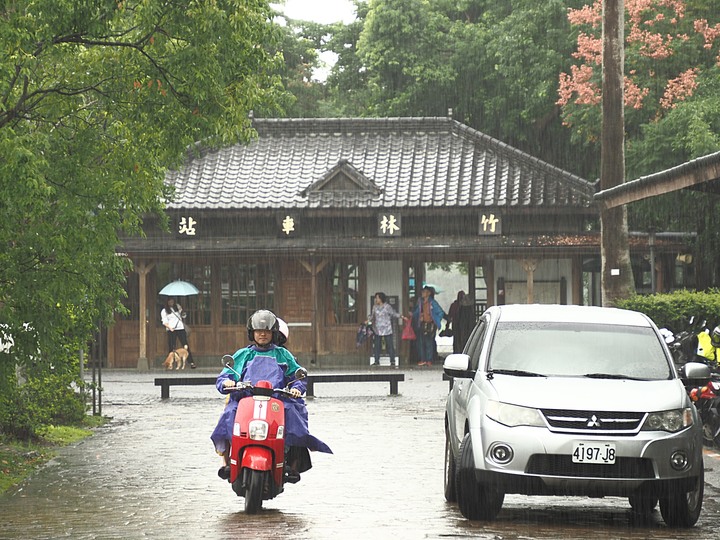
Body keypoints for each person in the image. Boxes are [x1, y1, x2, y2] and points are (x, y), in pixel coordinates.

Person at [210, 309, 331, 483]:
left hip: (277, 401)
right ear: (252, 333)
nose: (263, 335)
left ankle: (292, 463)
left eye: (266, 331)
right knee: (230, 413)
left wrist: (297, 387)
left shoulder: (283, 354)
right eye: (259, 331)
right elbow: (225, 377)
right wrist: (227, 383)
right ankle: (227, 462)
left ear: (273, 333)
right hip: (246, 400)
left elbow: (298, 376)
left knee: (294, 413)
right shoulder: (243, 355)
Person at [412, 286, 445, 366]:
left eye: (424, 292)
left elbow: (441, 312)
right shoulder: (420, 303)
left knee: (429, 342)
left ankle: (429, 359)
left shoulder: (432, 303)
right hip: (421, 324)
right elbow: (416, 312)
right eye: (422, 292)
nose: (422, 293)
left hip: (430, 325)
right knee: (420, 342)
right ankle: (423, 359)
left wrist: (435, 320)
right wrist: (413, 315)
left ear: (429, 293)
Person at [369, 292, 402, 368]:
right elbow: (372, 316)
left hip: (387, 328)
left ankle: (392, 360)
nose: (376, 299)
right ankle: (376, 360)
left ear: (381, 298)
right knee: (377, 345)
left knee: (390, 345)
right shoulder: (374, 307)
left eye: (377, 298)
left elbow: (393, 313)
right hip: (377, 329)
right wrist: (368, 320)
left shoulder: (387, 307)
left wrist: (401, 316)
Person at [161, 297, 195, 369]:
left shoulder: (177, 307)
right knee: (171, 347)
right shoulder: (164, 311)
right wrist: (170, 328)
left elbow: (183, 316)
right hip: (171, 329)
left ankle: (191, 362)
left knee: (185, 344)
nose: (171, 302)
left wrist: (182, 311)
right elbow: (164, 322)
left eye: (172, 301)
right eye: (170, 301)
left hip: (180, 328)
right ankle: (170, 363)